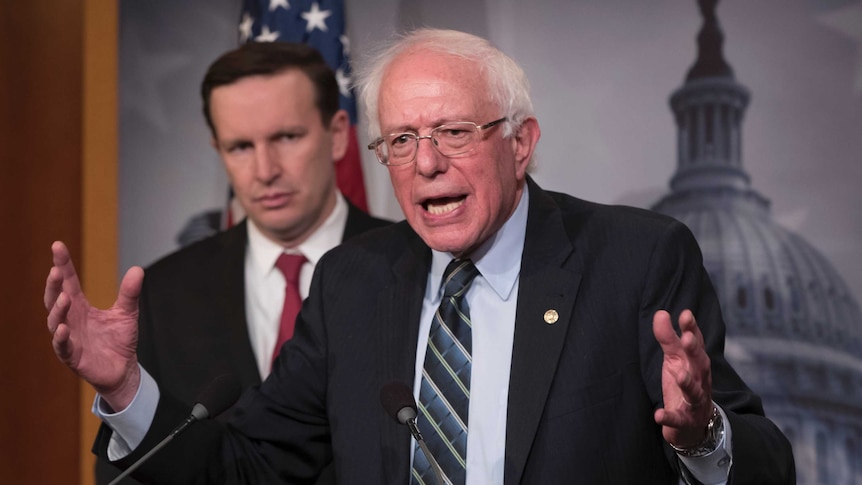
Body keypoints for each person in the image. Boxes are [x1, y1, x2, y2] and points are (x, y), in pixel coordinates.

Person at [46, 29, 795, 484]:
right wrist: (126, 391)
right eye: (401, 140)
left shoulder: (636, 259)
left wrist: (702, 435)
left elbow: (768, 461)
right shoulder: (353, 283)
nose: (425, 162)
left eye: (454, 132)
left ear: (521, 142)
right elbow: (249, 467)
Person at [95, 41, 390, 484]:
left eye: (286, 137)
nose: (265, 170)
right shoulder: (164, 292)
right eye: (240, 147)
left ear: (337, 134)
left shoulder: (411, 265)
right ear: (218, 150)